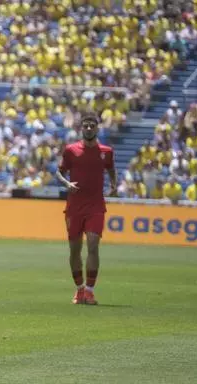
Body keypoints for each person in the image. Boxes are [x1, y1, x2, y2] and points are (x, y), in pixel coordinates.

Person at [56, 113, 117, 306]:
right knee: (75, 250)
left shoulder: (106, 151)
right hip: (74, 207)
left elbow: (111, 168)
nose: (89, 129)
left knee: (93, 245)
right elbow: (59, 171)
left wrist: (114, 185)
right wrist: (66, 183)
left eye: (92, 126)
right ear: (81, 128)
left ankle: (90, 291)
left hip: (96, 206)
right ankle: (79, 289)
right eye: (86, 126)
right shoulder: (71, 150)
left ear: (97, 128)